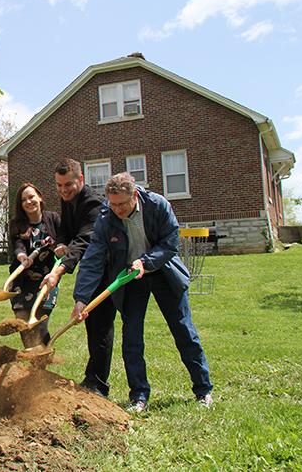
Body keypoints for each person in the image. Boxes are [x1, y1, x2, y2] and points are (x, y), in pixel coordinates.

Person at [73, 172, 213, 412]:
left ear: (134, 195)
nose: (116, 209)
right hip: (130, 277)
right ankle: (139, 395)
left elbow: (170, 243)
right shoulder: (106, 218)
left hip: (163, 272)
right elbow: (92, 259)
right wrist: (81, 299)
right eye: (112, 203)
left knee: (183, 330)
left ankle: (203, 389)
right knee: (132, 338)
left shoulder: (158, 205)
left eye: (121, 204)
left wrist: (146, 262)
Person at [39, 158, 110, 396]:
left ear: (81, 179)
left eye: (68, 184)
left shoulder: (93, 203)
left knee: (100, 324)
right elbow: (67, 230)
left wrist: (58, 271)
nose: (63, 190)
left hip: (107, 268)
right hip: (90, 269)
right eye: (59, 185)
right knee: (91, 322)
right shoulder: (68, 199)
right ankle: (92, 379)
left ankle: (98, 384)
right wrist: (60, 242)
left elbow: (83, 240)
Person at [8, 182, 61, 347]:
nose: (28, 202)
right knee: (24, 326)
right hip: (22, 280)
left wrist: (61, 247)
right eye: (24, 200)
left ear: (39, 197)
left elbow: (64, 240)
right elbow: (18, 245)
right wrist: (22, 256)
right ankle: (32, 359)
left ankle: (42, 359)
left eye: (31, 197)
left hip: (46, 280)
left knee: (40, 324)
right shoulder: (17, 224)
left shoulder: (53, 219)